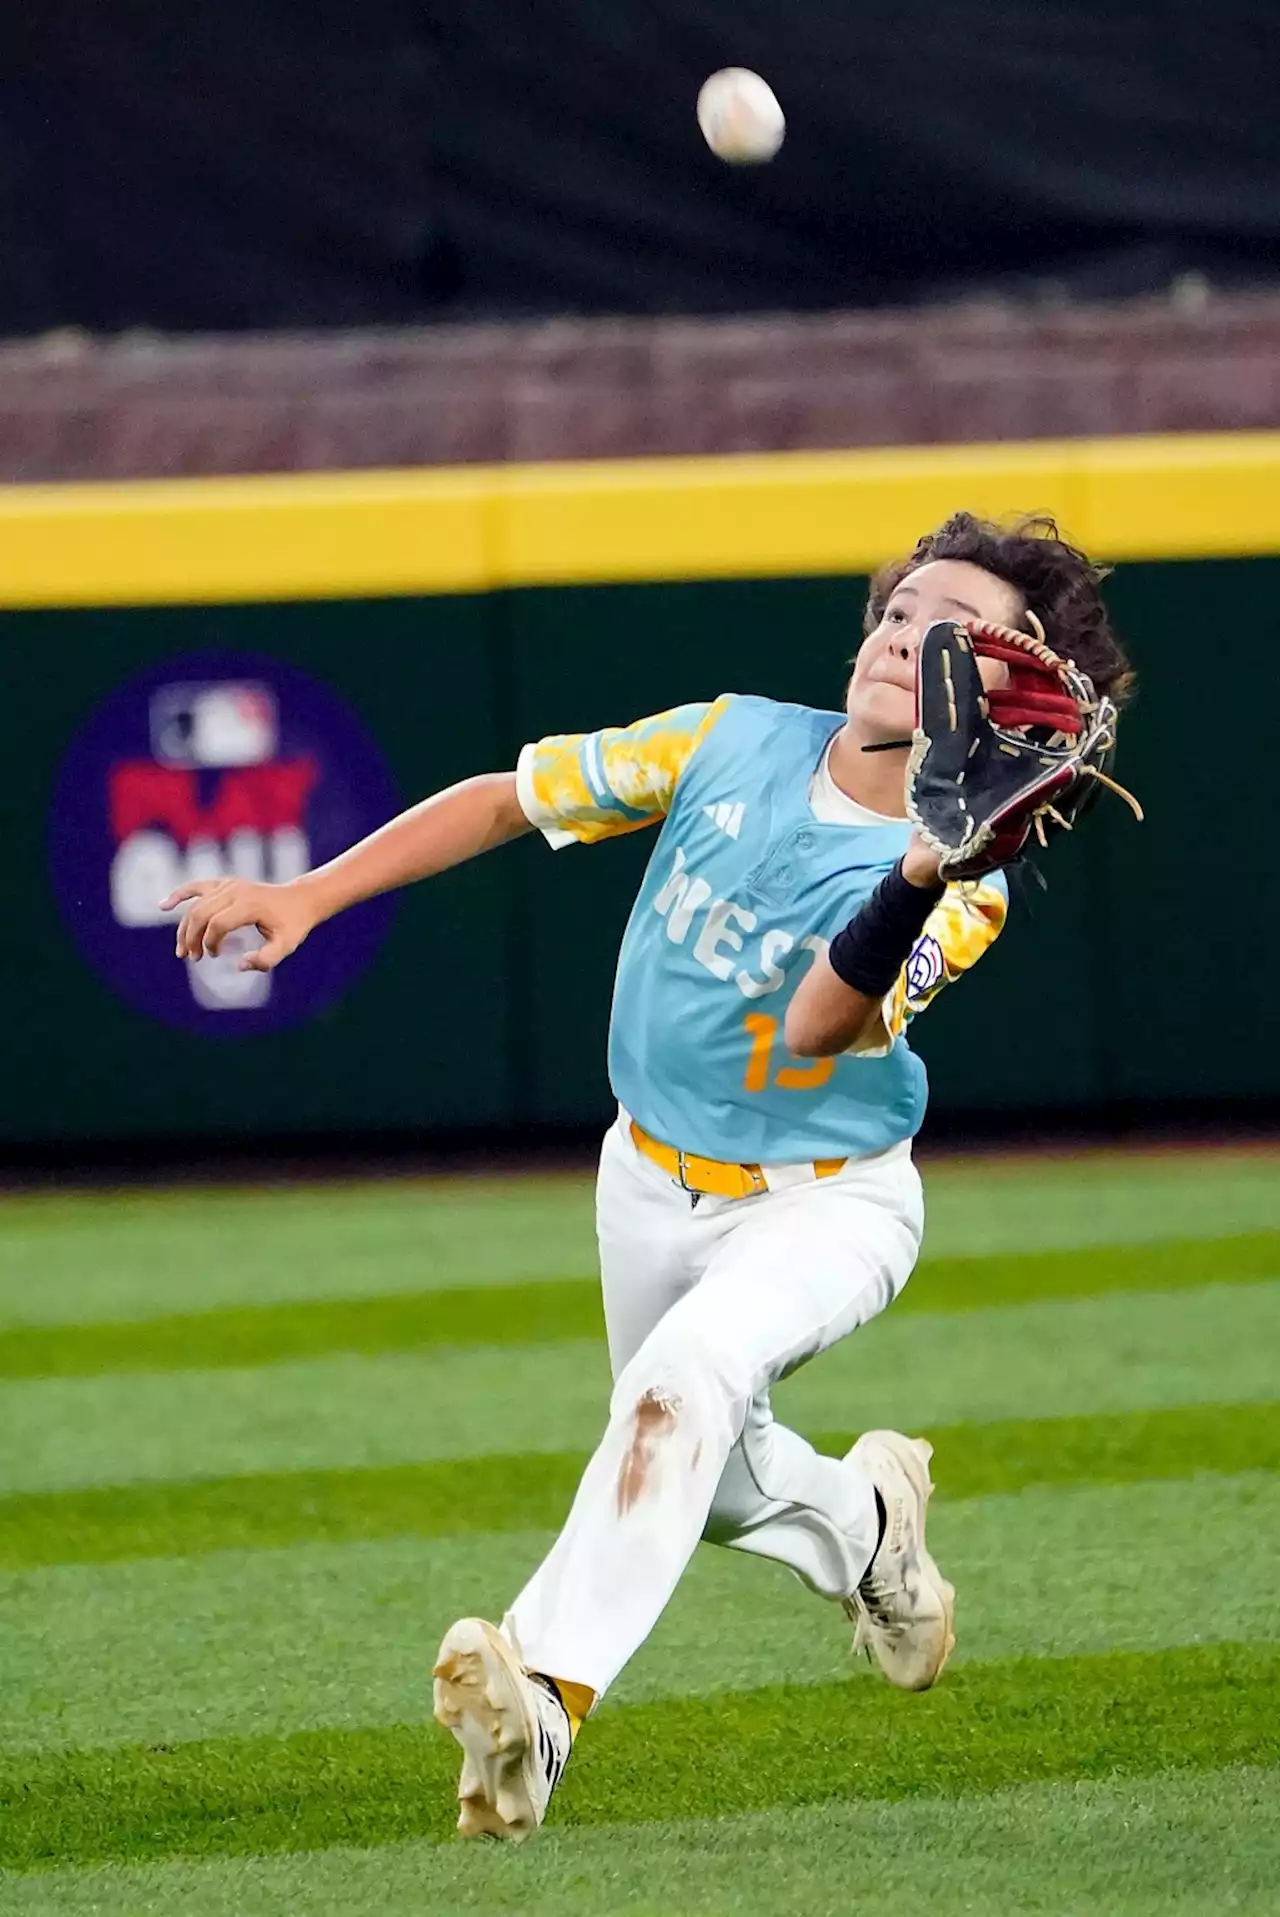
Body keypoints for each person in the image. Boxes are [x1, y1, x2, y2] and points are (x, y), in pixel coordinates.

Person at [165, 511, 1134, 1842]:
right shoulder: (733, 736)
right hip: (646, 1177)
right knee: (721, 1482)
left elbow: (816, 1030)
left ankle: (542, 1704)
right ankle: (867, 1530)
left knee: (680, 1390)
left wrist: (921, 866)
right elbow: (511, 797)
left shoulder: (962, 879)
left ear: (1003, 700)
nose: (909, 640)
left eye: (955, 640)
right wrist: (315, 894)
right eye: (902, 611)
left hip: (827, 1199)